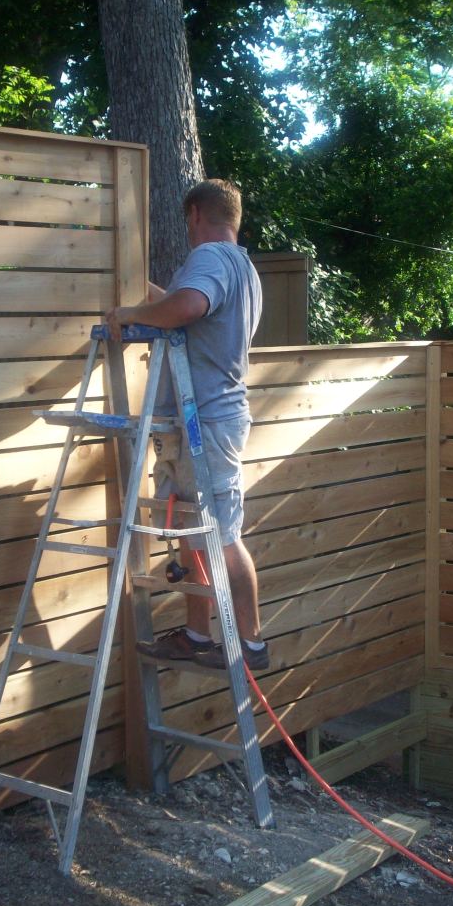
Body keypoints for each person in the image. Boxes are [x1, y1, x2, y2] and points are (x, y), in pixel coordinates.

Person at [104, 178, 269, 670]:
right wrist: (140, 292)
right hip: (201, 420)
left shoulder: (211, 259)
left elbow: (187, 307)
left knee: (221, 533)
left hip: (210, 421)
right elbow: (184, 304)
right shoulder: (241, 268)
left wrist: (135, 313)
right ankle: (198, 634)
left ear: (196, 213)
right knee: (197, 532)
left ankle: (252, 645)